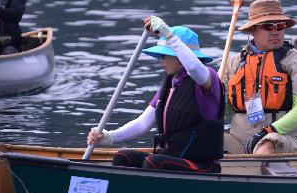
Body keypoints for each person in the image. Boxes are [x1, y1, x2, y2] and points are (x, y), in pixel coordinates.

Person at [87, 17, 224, 173]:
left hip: (201, 165)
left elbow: (193, 67)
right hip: (172, 159)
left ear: (179, 56)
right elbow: (142, 124)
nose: (161, 61)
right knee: (122, 157)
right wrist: (109, 137)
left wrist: (170, 36)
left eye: (164, 56)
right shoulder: (170, 84)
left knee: (153, 163)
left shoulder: (208, 78)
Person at [223, 0, 297, 155]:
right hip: (240, 141)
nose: (275, 31)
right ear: (252, 30)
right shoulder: (233, 63)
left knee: (266, 147)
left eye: (280, 26)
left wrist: (267, 131)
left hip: (282, 139)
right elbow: (225, 111)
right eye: (268, 26)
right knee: (205, 139)